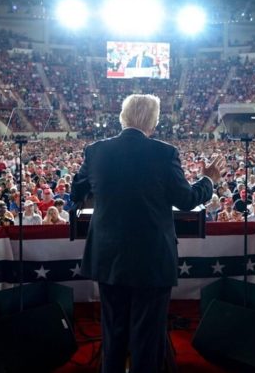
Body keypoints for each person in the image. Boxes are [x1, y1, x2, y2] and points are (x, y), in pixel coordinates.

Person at [71, 94, 224, 373]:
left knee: (113, 332)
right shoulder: (164, 153)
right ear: (153, 122)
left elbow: (76, 192)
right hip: (151, 259)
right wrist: (209, 180)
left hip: (108, 256)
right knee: (146, 337)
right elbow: (187, 200)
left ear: (123, 117)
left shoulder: (96, 151)